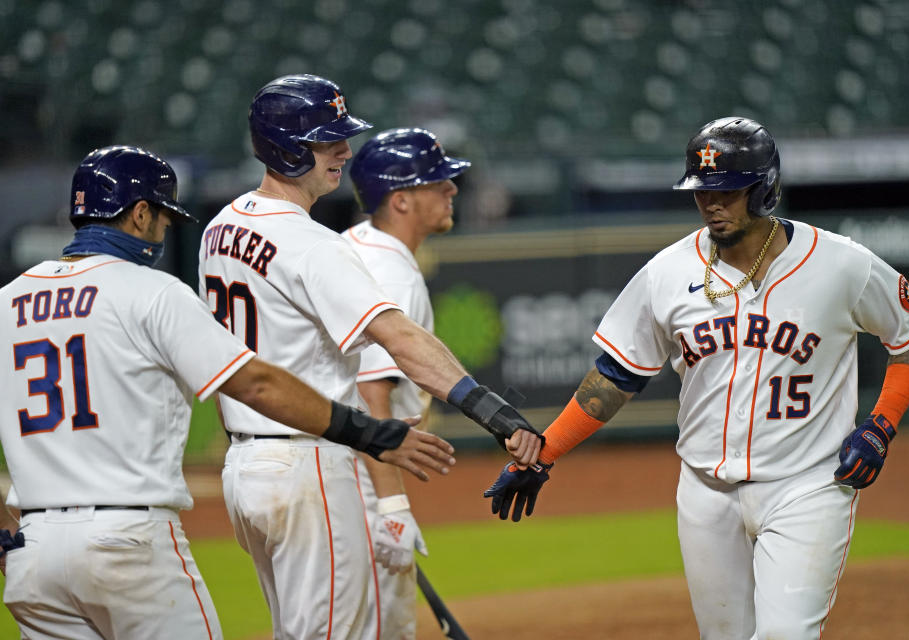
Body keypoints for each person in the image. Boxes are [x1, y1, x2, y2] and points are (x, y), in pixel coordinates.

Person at [483, 117, 909, 639]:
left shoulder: (841, 264)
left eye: (728, 190)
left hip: (807, 484)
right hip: (705, 491)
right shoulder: (666, 271)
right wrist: (544, 455)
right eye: (703, 190)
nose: (712, 203)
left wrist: (880, 426)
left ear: (764, 187)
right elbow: (615, 376)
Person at [0, 145, 456, 640]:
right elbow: (255, 382)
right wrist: (368, 432)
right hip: (129, 543)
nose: (166, 228)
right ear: (139, 213)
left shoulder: (6, 303)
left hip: (33, 552)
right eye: (163, 216)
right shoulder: (153, 292)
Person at [198, 74, 541, 640]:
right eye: (328, 141)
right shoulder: (310, 243)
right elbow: (400, 342)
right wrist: (495, 413)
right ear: (287, 148)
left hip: (245, 469)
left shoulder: (220, 229)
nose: (344, 152)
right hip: (309, 463)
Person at [343, 127, 470, 639]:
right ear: (401, 200)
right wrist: (392, 507)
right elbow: (373, 391)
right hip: (358, 474)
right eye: (438, 182)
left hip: (337, 461)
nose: (452, 190)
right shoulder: (391, 274)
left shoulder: (353, 246)